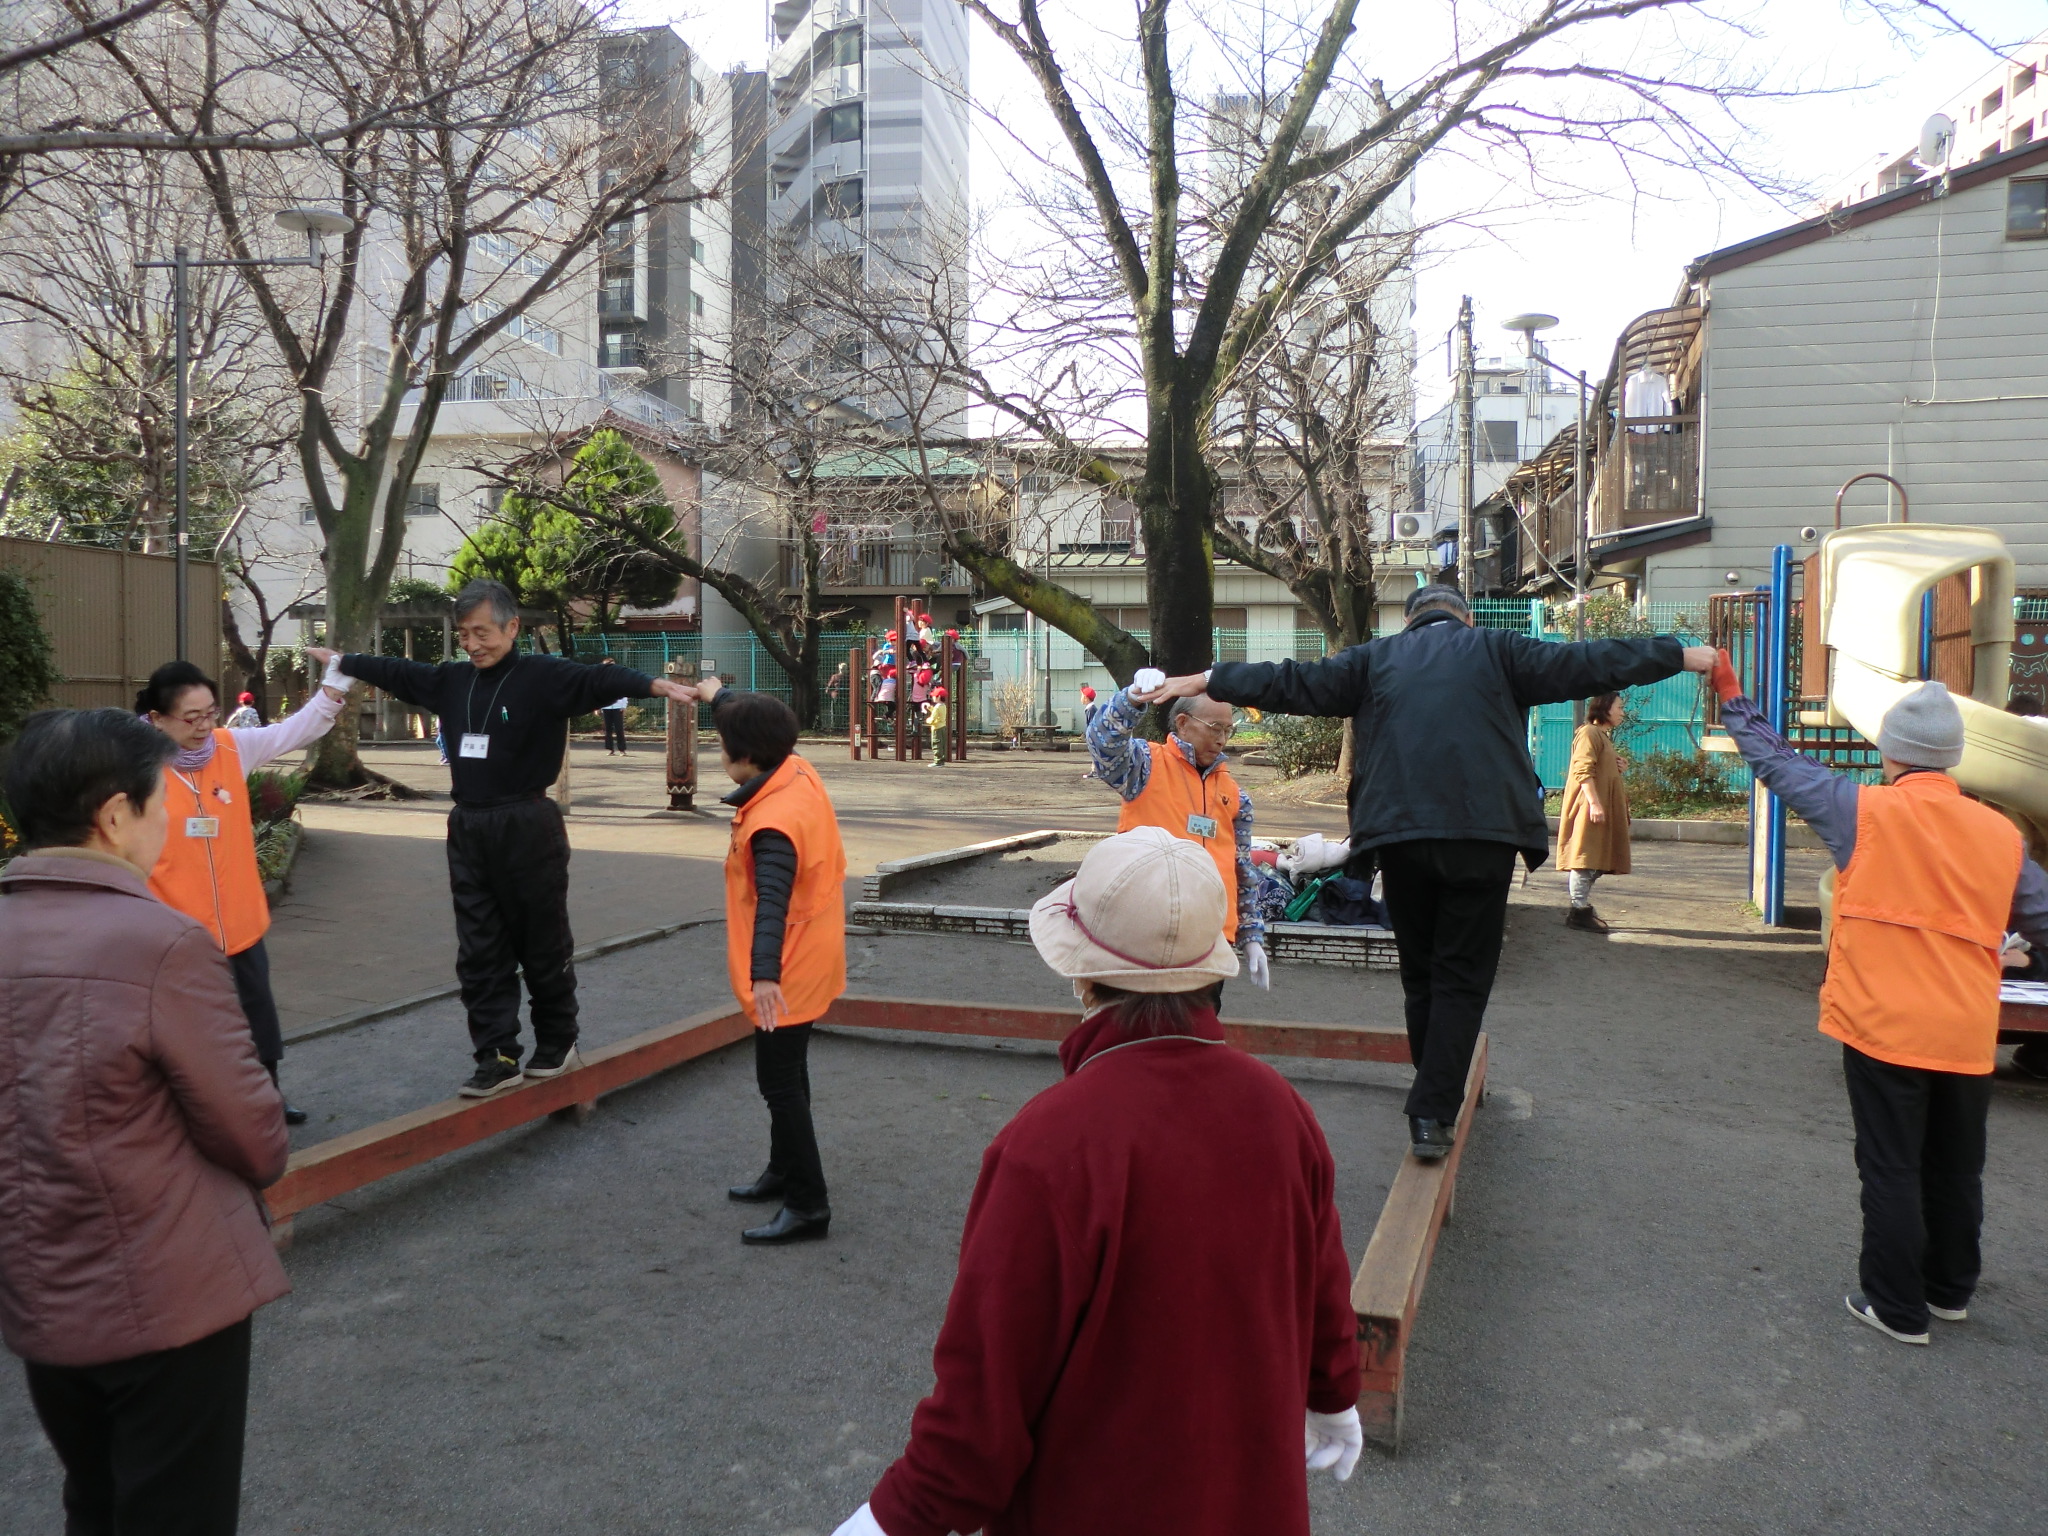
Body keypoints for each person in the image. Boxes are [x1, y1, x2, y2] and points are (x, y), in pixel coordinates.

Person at [830, 827, 1361, 1536]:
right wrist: (1333, 1392)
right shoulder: (1280, 1108)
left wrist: (889, 1520)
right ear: (1210, 972)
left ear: (1082, 975)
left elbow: (984, 1407)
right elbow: (1323, 1279)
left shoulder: (1050, 1145)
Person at [1137, 584, 1715, 1160]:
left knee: (1420, 971)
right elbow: (1591, 661)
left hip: (1400, 836)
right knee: (1462, 974)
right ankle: (1433, 1109)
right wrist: (1680, 655)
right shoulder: (1501, 650)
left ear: (1411, 621)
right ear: (1463, 617)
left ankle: (1432, 1084)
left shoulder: (1374, 660)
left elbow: (1292, 680)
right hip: (1482, 838)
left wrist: (1207, 679)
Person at [0, 708, 290, 1536]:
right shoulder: (160, 943)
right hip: (166, 1291)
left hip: (41, 1292)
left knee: (93, 1500)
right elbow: (254, 1137)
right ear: (115, 815)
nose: (166, 821)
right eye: (159, 802)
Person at [1710, 660, 2048, 1343]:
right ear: (1953, 757)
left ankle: (1896, 1307)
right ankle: (1949, 1291)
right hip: (1965, 1028)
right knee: (1957, 1166)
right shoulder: (2002, 839)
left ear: (1889, 750)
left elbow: (1778, 766)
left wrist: (1734, 700)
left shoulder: (1859, 810)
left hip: (1882, 1023)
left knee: (1891, 1164)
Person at [333, 579, 694, 1096]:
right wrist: (344, 659)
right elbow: (397, 671)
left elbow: (594, 681)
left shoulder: (541, 676)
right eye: (464, 635)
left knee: (541, 941)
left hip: (527, 823)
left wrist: (655, 686)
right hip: (469, 826)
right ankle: (496, 1056)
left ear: (512, 627)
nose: (473, 644)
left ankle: (557, 1040)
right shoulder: (451, 681)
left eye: (482, 632)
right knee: (479, 948)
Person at [138, 653, 353, 1125]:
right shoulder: (135, 769)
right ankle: (189, 1111)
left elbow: (295, 730)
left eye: (210, 713)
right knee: (186, 1029)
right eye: (190, 718)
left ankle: (266, 1096)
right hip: (174, 932)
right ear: (156, 719)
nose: (203, 726)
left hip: (239, 922)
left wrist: (334, 686)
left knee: (257, 1019)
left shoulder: (231, 746)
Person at [693, 682, 848, 1245]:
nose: (718, 751)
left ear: (748, 755)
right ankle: (783, 1172)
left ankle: (809, 1204)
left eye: (721, 742)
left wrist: (764, 977)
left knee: (778, 1083)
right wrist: (720, 694)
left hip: (787, 966)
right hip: (813, 950)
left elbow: (772, 906)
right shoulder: (796, 769)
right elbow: (758, 716)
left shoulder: (773, 822)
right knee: (792, 1074)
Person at [1086, 679, 1267, 989]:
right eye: (1215, 728)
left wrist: (1250, 935)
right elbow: (1103, 742)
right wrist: (1130, 699)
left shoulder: (1235, 795)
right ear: (1183, 724)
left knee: (1196, 1031)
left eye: (1228, 730)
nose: (1222, 739)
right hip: (1142, 936)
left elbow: (1242, 871)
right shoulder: (1144, 765)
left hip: (1208, 944)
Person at [1557, 690, 1632, 933]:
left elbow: (1598, 769)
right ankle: (1578, 910)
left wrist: (1616, 766)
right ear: (1605, 707)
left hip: (1598, 807)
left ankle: (1581, 906)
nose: (1622, 712)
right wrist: (1595, 804)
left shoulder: (1601, 735)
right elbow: (1582, 770)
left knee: (1598, 857)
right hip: (1589, 808)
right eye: (1619, 707)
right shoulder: (1589, 733)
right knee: (1585, 857)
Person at [597, 656, 631, 756]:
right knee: (607, 729)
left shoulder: (619, 678)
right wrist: (598, 706)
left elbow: (624, 693)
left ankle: (622, 749)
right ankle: (610, 749)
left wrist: (624, 706)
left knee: (619, 729)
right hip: (606, 707)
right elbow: (598, 693)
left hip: (617, 707)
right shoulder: (601, 679)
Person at [924, 686, 949, 766]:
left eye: (934, 696)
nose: (933, 698)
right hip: (942, 727)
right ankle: (941, 760)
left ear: (938, 697)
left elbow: (933, 719)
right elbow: (938, 714)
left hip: (936, 728)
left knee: (936, 744)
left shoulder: (937, 708)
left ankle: (937, 761)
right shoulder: (943, 706)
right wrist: (931, 708)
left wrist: (927, 720)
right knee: (942, 744)